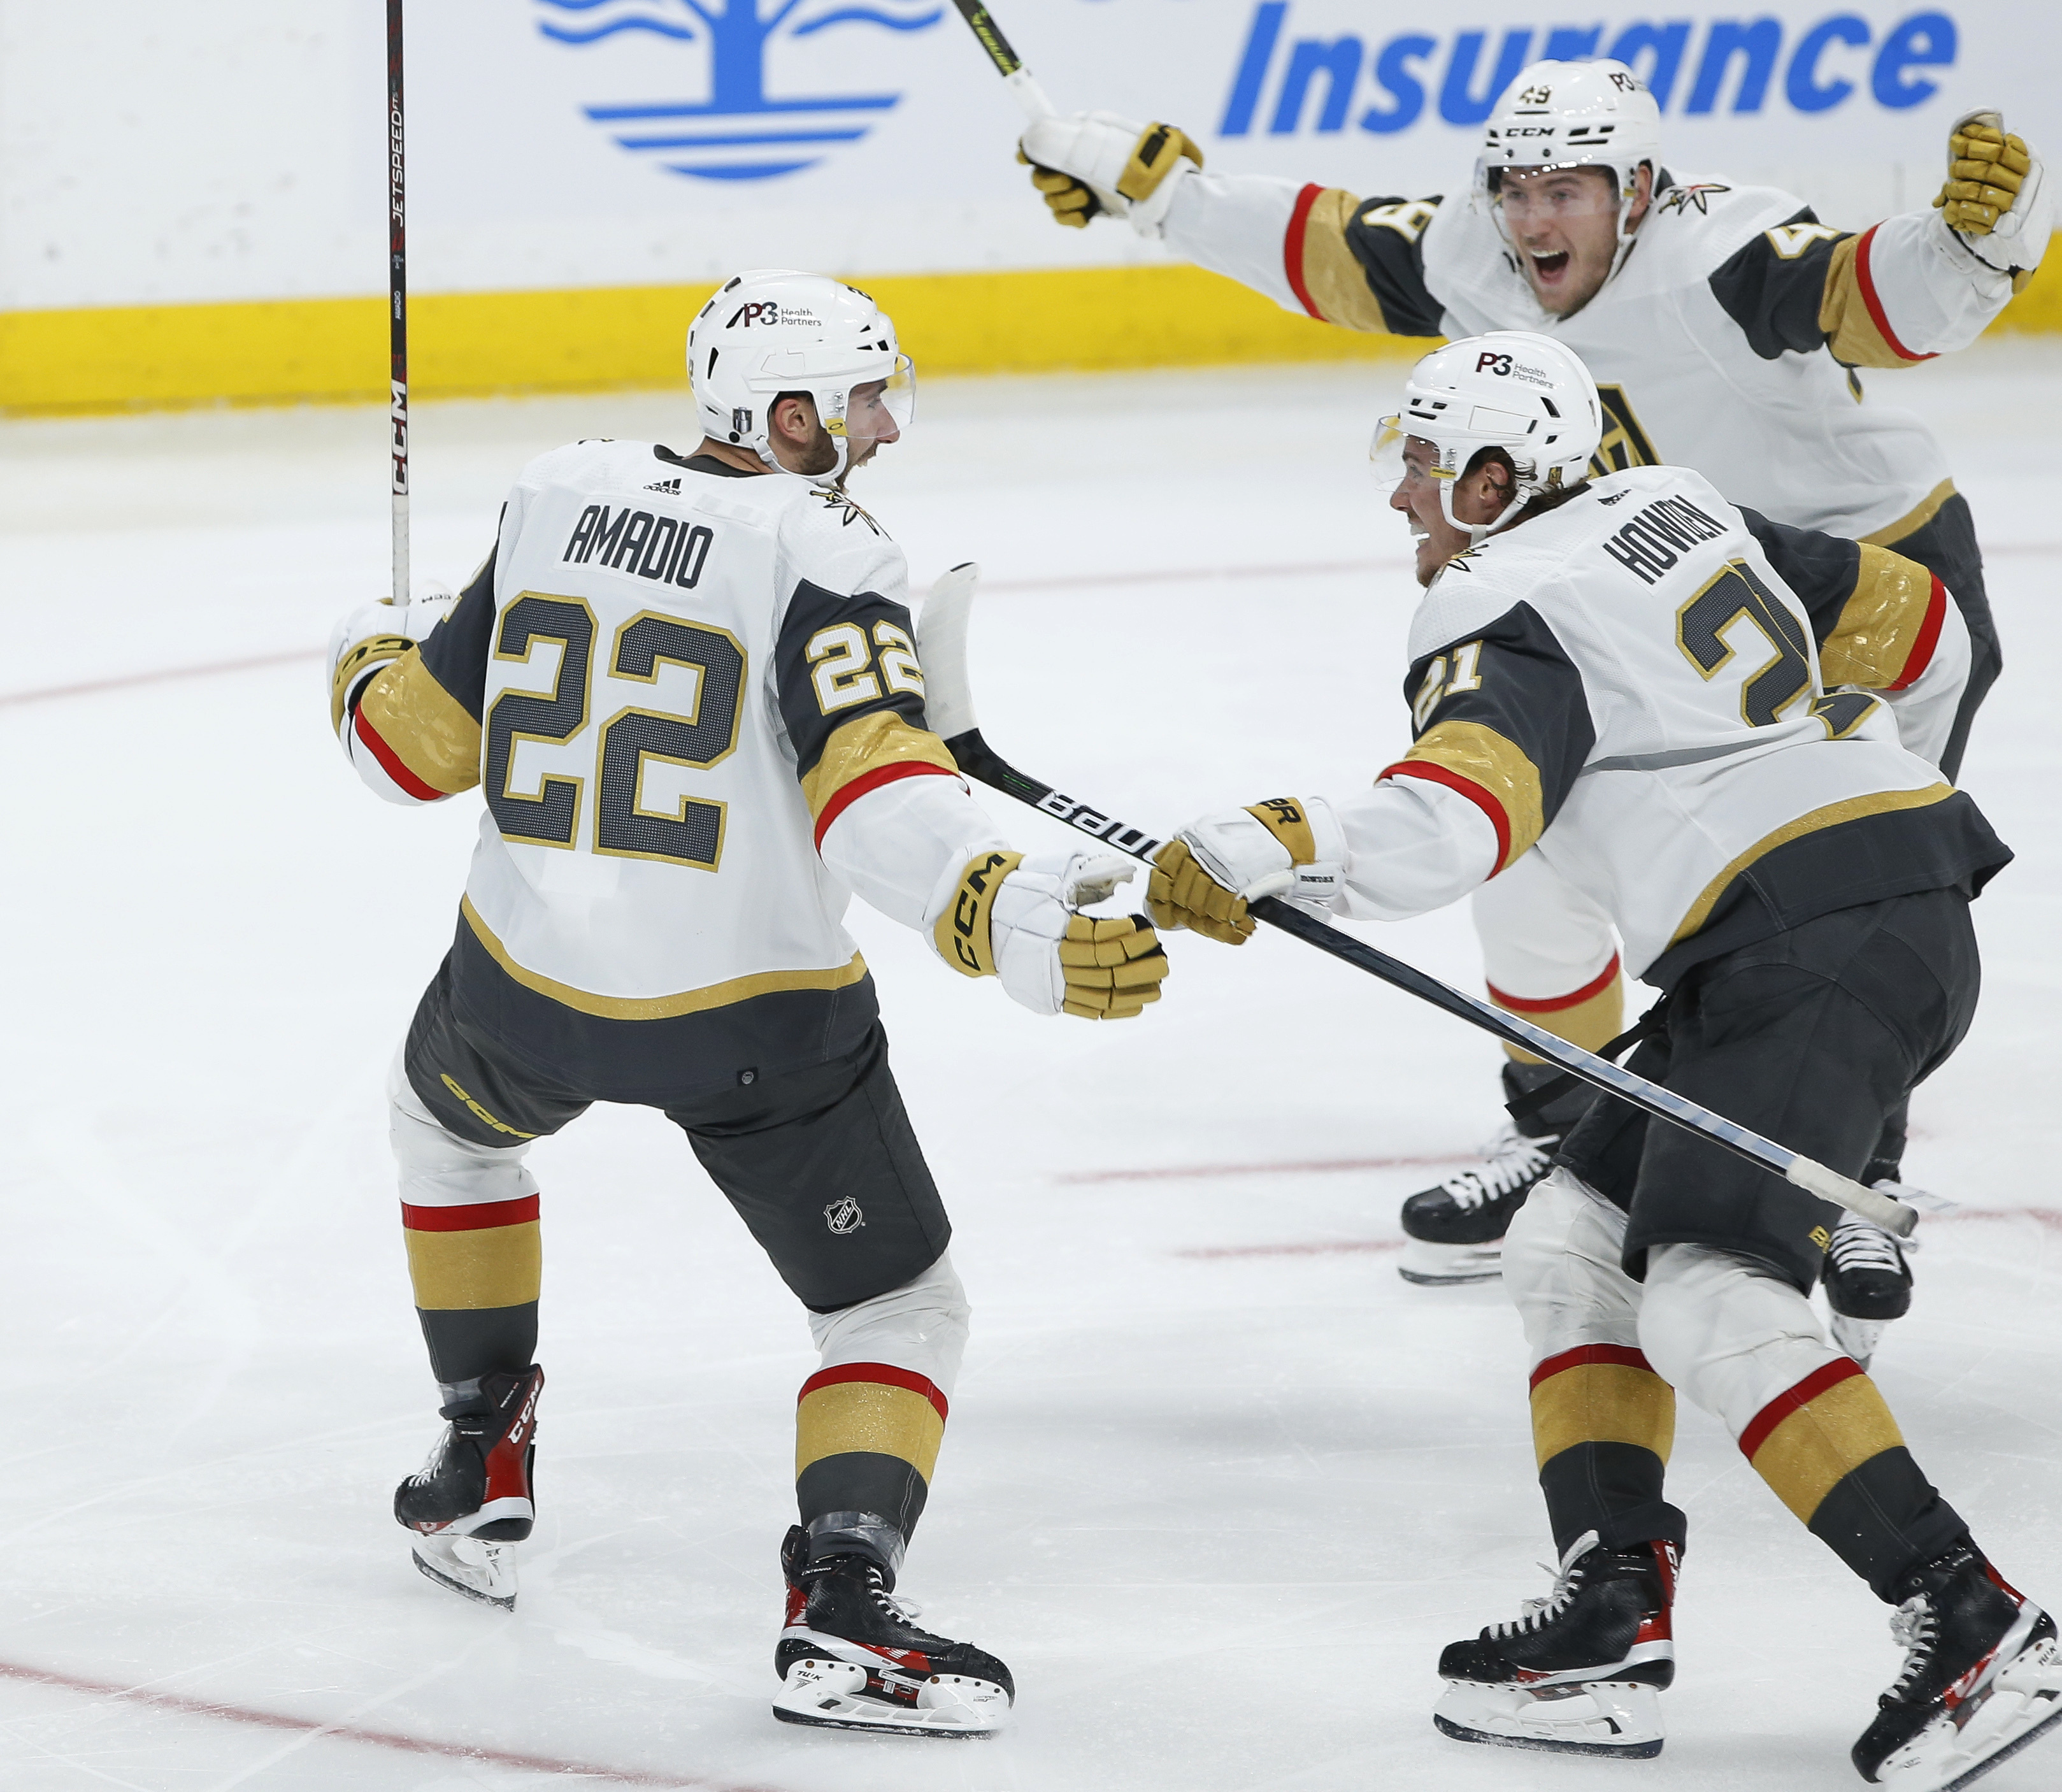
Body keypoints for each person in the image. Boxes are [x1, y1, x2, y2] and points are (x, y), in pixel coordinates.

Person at [1142, 331, 2059, 1785]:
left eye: (1427, 471)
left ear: (1498, 478)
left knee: (1704, 1291)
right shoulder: (1674, 505)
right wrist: (1884, 805)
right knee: (1569, 1243)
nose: (1406, 502)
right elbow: (1924, 624)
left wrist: (1274, 841)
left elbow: (1454, 820)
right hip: (1837, 919)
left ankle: (1970, 1621)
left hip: (1800, 943)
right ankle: (1610, 1616)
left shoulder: (1499, 599)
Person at [1015, 60, 2049, 1324]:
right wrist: (1152, 191)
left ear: (1639, 189)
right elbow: (1331, 248)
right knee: (1528, 840)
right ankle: (1565, 1126)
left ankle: (1848, 1174)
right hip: (1635, 580)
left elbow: (1861, 293)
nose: (1532, 218)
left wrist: (1967, 249)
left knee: (1838, 890)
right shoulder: (1477, 253)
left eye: (1566, 188)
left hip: (1852, 588)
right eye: (1513, 186)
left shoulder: (1711, 251)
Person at [325, 269, 1170, 1737]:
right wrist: (1004, 914)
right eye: (857, 402)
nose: (881, 427)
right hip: (752, 1031)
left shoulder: (552, 494)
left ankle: (480, 1452)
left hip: (519, 997)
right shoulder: (823, 544)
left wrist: (364, 659)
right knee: (897, 1304)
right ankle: (840, 1596)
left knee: (443, 1131)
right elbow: (875, 789)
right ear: (785, 416)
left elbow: (407, 755)